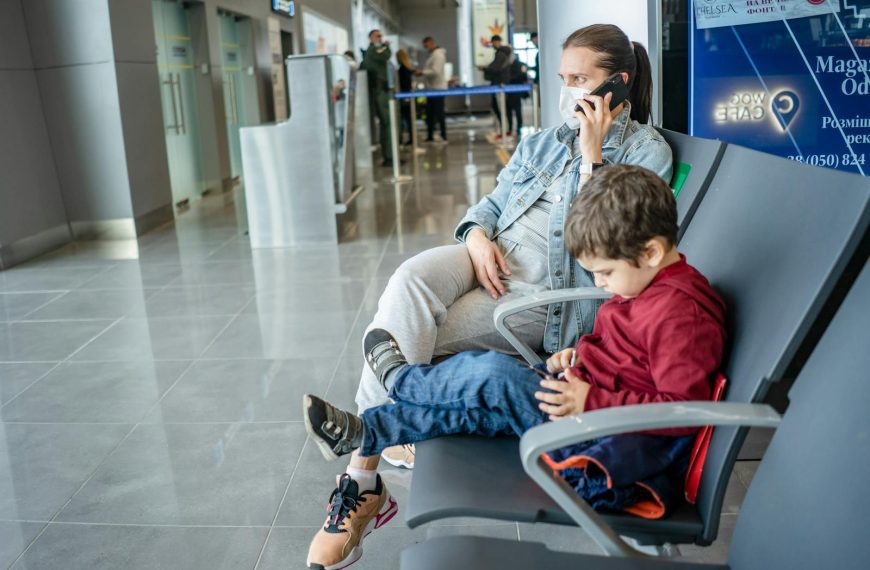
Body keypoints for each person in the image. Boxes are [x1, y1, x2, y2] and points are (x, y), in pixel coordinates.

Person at [305, 23, 673, 569]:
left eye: (581, 79)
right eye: (564, 78)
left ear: (617, 83)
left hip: (544, 294)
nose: (570, 91)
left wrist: (593, 159)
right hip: (489, 258)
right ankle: (379, 448)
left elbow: (599, 247)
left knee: (409, 339)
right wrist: (476, 236)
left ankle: (361, 478)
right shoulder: (546, 141)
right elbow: (492, 204)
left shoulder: (648, 153)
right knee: (409, 279)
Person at [303, 165, 725, 568]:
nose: (599, 284)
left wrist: (590, 399)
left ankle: (404, 380)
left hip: (603, 457)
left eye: (604, 273)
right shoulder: (644, 285)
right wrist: (578, 355)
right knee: (473, 408)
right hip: (580, 414)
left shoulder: (679, 314)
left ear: (651, 252)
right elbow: (627, 355)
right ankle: (369, 432)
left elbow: (681, 408)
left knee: (492, 377)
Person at [361, 29, 394, 167]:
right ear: (370, 38)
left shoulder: (373, 50)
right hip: (380, 91)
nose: (380, 38)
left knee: (386, 124)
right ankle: (389, 156)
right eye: (377, 36)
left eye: (381, 36)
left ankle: (389, 155)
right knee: (388, 122)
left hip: (381, 90)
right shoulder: (373, 50)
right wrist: (386, 46)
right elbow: (386, 55)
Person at [478, 34, 514, 136]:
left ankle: (506, 131)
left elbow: (495, 68)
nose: (493, 44)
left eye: (494, 42)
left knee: (501, 108)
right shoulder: (504, 53)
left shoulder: (501, 54)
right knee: (503, 107)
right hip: (502, 83)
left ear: (497, 42)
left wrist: (485, 68)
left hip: (500, 84)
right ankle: (506, 130)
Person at [417, 36, 448, 143]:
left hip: (438, 88)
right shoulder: (432, 55)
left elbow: (436, 71)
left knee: (439, 113)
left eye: (426, 46)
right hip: (431, 88)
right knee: (430, 113)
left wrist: (422, 72)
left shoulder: (438, 55)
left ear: (431, 43)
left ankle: (444, 135)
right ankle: (430, 135)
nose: (426, 48)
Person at [396, 49, 415, 146]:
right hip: (407, 96)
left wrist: (405, 97)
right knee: (409, 119)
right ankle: (411, 139)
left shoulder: (402, 70)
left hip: (405, 97)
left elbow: (404, 84)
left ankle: (409, 139)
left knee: (406, 119)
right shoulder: (407, 69)